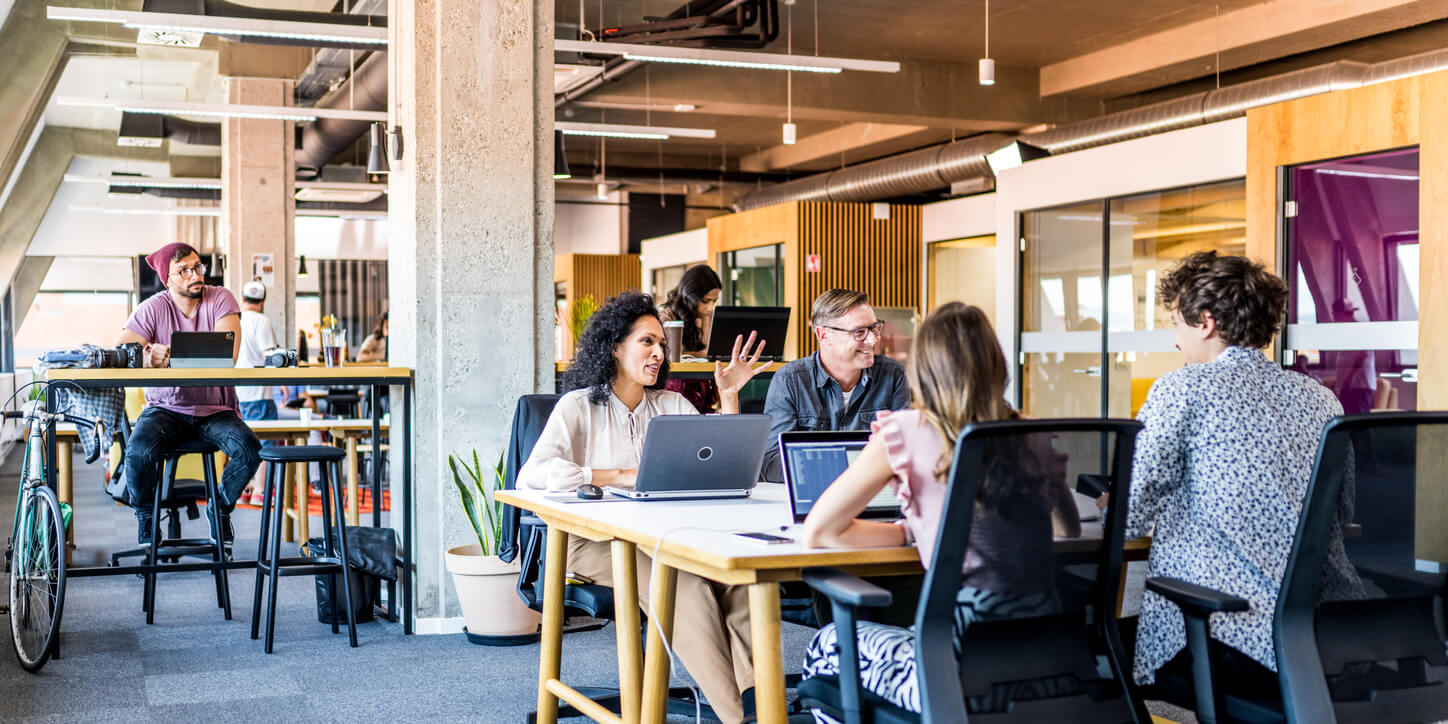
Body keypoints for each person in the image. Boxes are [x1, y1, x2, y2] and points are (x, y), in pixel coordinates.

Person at [797, 303, 1080, 719]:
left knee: (825, 648)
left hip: (949, 663)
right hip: (1046, 655)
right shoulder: (1031, 430)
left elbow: (819, 532)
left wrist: (911, 530)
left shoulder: (904, 431)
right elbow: (1067, 528)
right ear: (996, 364)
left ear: (923, 369)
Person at [518, 291, 770, 724]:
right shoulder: (579, 407)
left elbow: (725, 467)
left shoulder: (671, 406)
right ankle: (737, 718)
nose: (658, 353)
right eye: (646, 342)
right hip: (594, 543)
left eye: (661, 345)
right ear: (615, 346)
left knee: (741, 581)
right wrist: (615, 475)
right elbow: (532, 476)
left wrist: (728, 397)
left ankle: (759, 706)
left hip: (667, 537)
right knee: (685, 584)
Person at [1125, 251, 1363, 690]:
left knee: (1110, 640)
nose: (1175, 341)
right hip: (1329, 635)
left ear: (1206, 321)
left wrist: (1106, 506)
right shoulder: (1320, 398)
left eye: (1177, 324)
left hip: (1232, 635)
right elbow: (1342, 513)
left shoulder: (1183, 388)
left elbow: (1129, 514)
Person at [118, 243, 263, 544]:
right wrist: (146, 357)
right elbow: (123, 350)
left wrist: (169, 358)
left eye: (197, 267)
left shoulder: (220, 298)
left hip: (215, 410)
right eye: (183, 270)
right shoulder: (153, 307)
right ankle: (146, 517)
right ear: (167, 279)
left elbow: (228, 354)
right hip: (165, 408)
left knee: (250, 450)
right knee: (137, 453)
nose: (194, 274)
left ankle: (220, 509)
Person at [760, 288, 910, 482]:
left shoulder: (893, 375)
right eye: (859, 332)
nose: (872, 340)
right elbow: (772, 462)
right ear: (823, 335)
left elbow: (906, 451)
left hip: (872, 495)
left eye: (874, 328)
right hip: (811, 497)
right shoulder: (790, 381)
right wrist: (851, 469)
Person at [235, 279, 279, 502]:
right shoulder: (261, 321)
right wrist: (282, 383)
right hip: (259, 393)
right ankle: (260, 492)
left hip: (237, 394)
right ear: (262, 302)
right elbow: (270, 357)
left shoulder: (234, 320)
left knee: (246, 441)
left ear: (242, 299)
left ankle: (246, 489)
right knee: (267, 441)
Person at [658, 265, 722, 412]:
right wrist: (705, 353)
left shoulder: (709, 317)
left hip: (704, 390)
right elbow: (671, 355)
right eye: (706, 301)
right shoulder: (666, 315)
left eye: (714, 301)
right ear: (690, 295)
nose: (711, 307)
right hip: (674, 390)